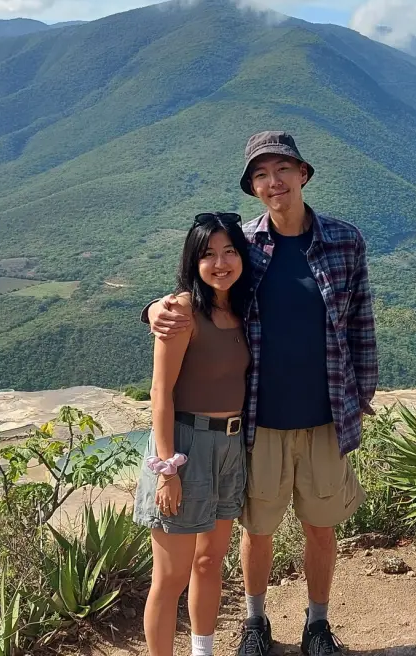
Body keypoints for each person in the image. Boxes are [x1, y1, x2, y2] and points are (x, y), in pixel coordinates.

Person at [144, 132, 378, 656]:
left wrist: (359, 399)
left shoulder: (345, 240)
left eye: (281, 170)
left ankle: (318, 624)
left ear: (303, 174)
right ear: (253, 188)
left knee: (321, 527)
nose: (272, 183)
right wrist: (156, 308)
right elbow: (202, 291)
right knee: (259, 530)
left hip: (325, 416)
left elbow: (361, 319)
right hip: (258, 420)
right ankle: (256, 622)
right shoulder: (245, 244)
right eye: (260, 175)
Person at [134, 212, 252, 656]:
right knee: (170, 578)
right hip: (184, 447)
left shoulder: (241, 309)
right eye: (208, 255)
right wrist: (167, 469)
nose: (220, 263)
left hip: (229, 446)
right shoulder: (182, 311)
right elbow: (160, 393)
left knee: (209, 562)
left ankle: (203, 651)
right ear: (193, 261)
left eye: (229, 252)